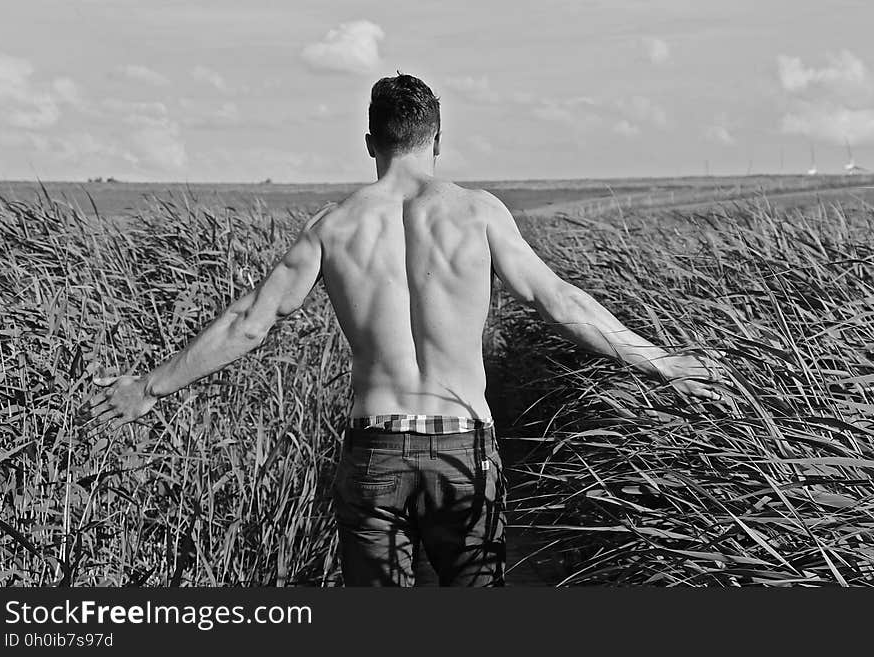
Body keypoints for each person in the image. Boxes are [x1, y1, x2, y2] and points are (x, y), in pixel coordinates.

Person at [88, 73, 723, 586]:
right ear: (437, 141)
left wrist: (150, 386)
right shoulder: (477, 214)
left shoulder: (333, 228)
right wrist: (661, 361)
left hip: (377, 451)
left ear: (370, 143)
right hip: (462, 447)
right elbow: (558, 301)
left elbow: (250, 321)